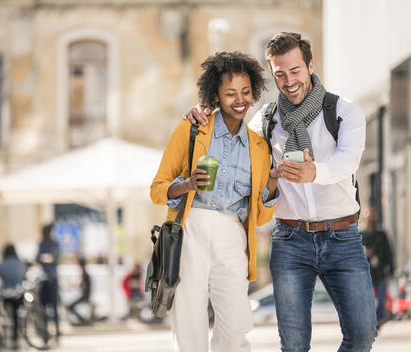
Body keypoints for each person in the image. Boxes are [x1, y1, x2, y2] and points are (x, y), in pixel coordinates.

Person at [184, 32, 377, 351]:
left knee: (362, 335)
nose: (289, 81)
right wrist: (202, 116)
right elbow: (232, 144)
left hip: (342, 236)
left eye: (295, 71)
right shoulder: (267, 120)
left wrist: (315, 172)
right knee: (294, 345)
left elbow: (349, 161)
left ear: (310, 66)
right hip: (290, 240)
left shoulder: (344, 111)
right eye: (280, 74)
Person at [151, 51, 278, 352]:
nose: (240, 100)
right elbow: (157, 189)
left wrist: (272, 184)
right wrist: (187, 184)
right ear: (216, 96)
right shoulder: (193, 128)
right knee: (190, 324)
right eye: (230, 93)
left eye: (246, 92)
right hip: (191, 228)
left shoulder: (259, 147)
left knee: (236, 325)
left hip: (232, 235)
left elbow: (258, 218)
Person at [362, 205, 395, 329]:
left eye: (372, 213)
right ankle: (370, 323)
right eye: (367, 213)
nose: (370, 216)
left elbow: (389, 253)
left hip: (380, 272)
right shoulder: (358, 234)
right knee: (367, 300)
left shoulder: (381, 234)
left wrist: (391, 269)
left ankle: (376, 322)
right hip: (365, 273)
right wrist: (363, 251)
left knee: (381, 300)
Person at [0, 243, 25, 349]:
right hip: (18, 293)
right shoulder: (20, 263)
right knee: (16, 316)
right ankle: (15, 337)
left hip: (5, 293)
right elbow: (23, 276)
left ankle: (5, 337)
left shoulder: (2, 264)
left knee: (5, 316)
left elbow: (0, 275)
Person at [37, 223, 61, 342]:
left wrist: (44, 258)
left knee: (54, 308)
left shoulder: (55, 244)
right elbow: (39, 258)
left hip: (52, 279)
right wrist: (46, 259)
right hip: (43, 280)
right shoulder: (41, 244)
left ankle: (57, 333)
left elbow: (53, 259)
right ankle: (45, 334)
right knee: (43, 308)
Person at [67, 256, 92, 325]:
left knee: (70, 307)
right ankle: (82, 320)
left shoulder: (84, 273)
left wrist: (70, 284)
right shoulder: (85, 273)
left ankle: (82, 321)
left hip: (85, 296)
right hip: (84, 296)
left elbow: (80, 283)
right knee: (70, 306)